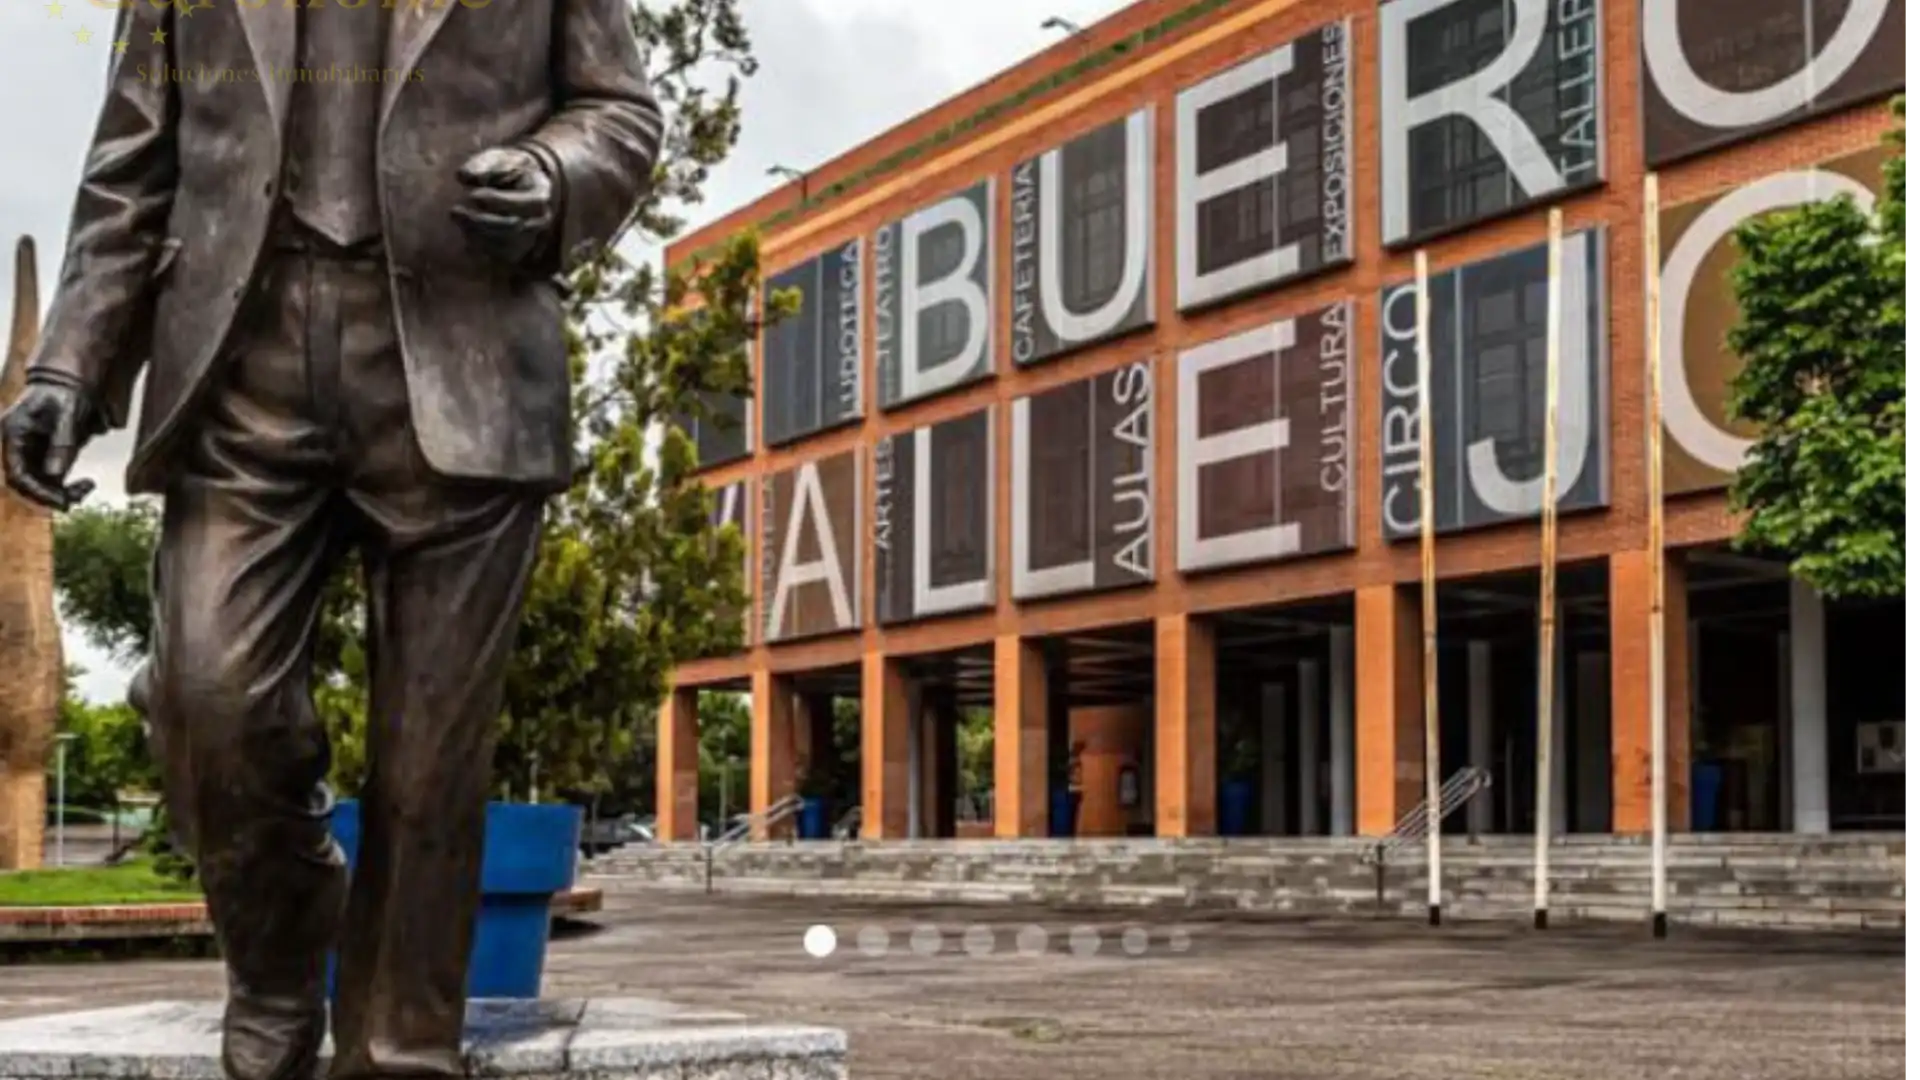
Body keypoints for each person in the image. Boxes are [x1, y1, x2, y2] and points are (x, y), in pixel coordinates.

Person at [0, 2, 660, 1078]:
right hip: (238, 366)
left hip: (464, 357)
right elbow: (130, 163)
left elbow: (620, 113)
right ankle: (277, 953)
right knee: (208, 697)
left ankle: (399, 1049)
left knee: (428, 761)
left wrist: (555, 172)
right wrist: (68, 367)